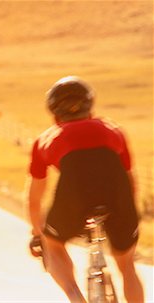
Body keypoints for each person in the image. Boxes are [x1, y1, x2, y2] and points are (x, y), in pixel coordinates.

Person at [27, 76, 144, 303]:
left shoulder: (46, 138)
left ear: (54, 112)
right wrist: (128, 215)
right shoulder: (113, 131)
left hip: (72, 196)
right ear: (90, 106)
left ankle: (76, 296)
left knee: (53, 244)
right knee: (127, 265)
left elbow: (35, 198)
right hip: (118, 197)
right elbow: (131, 183)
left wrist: (36, 232)